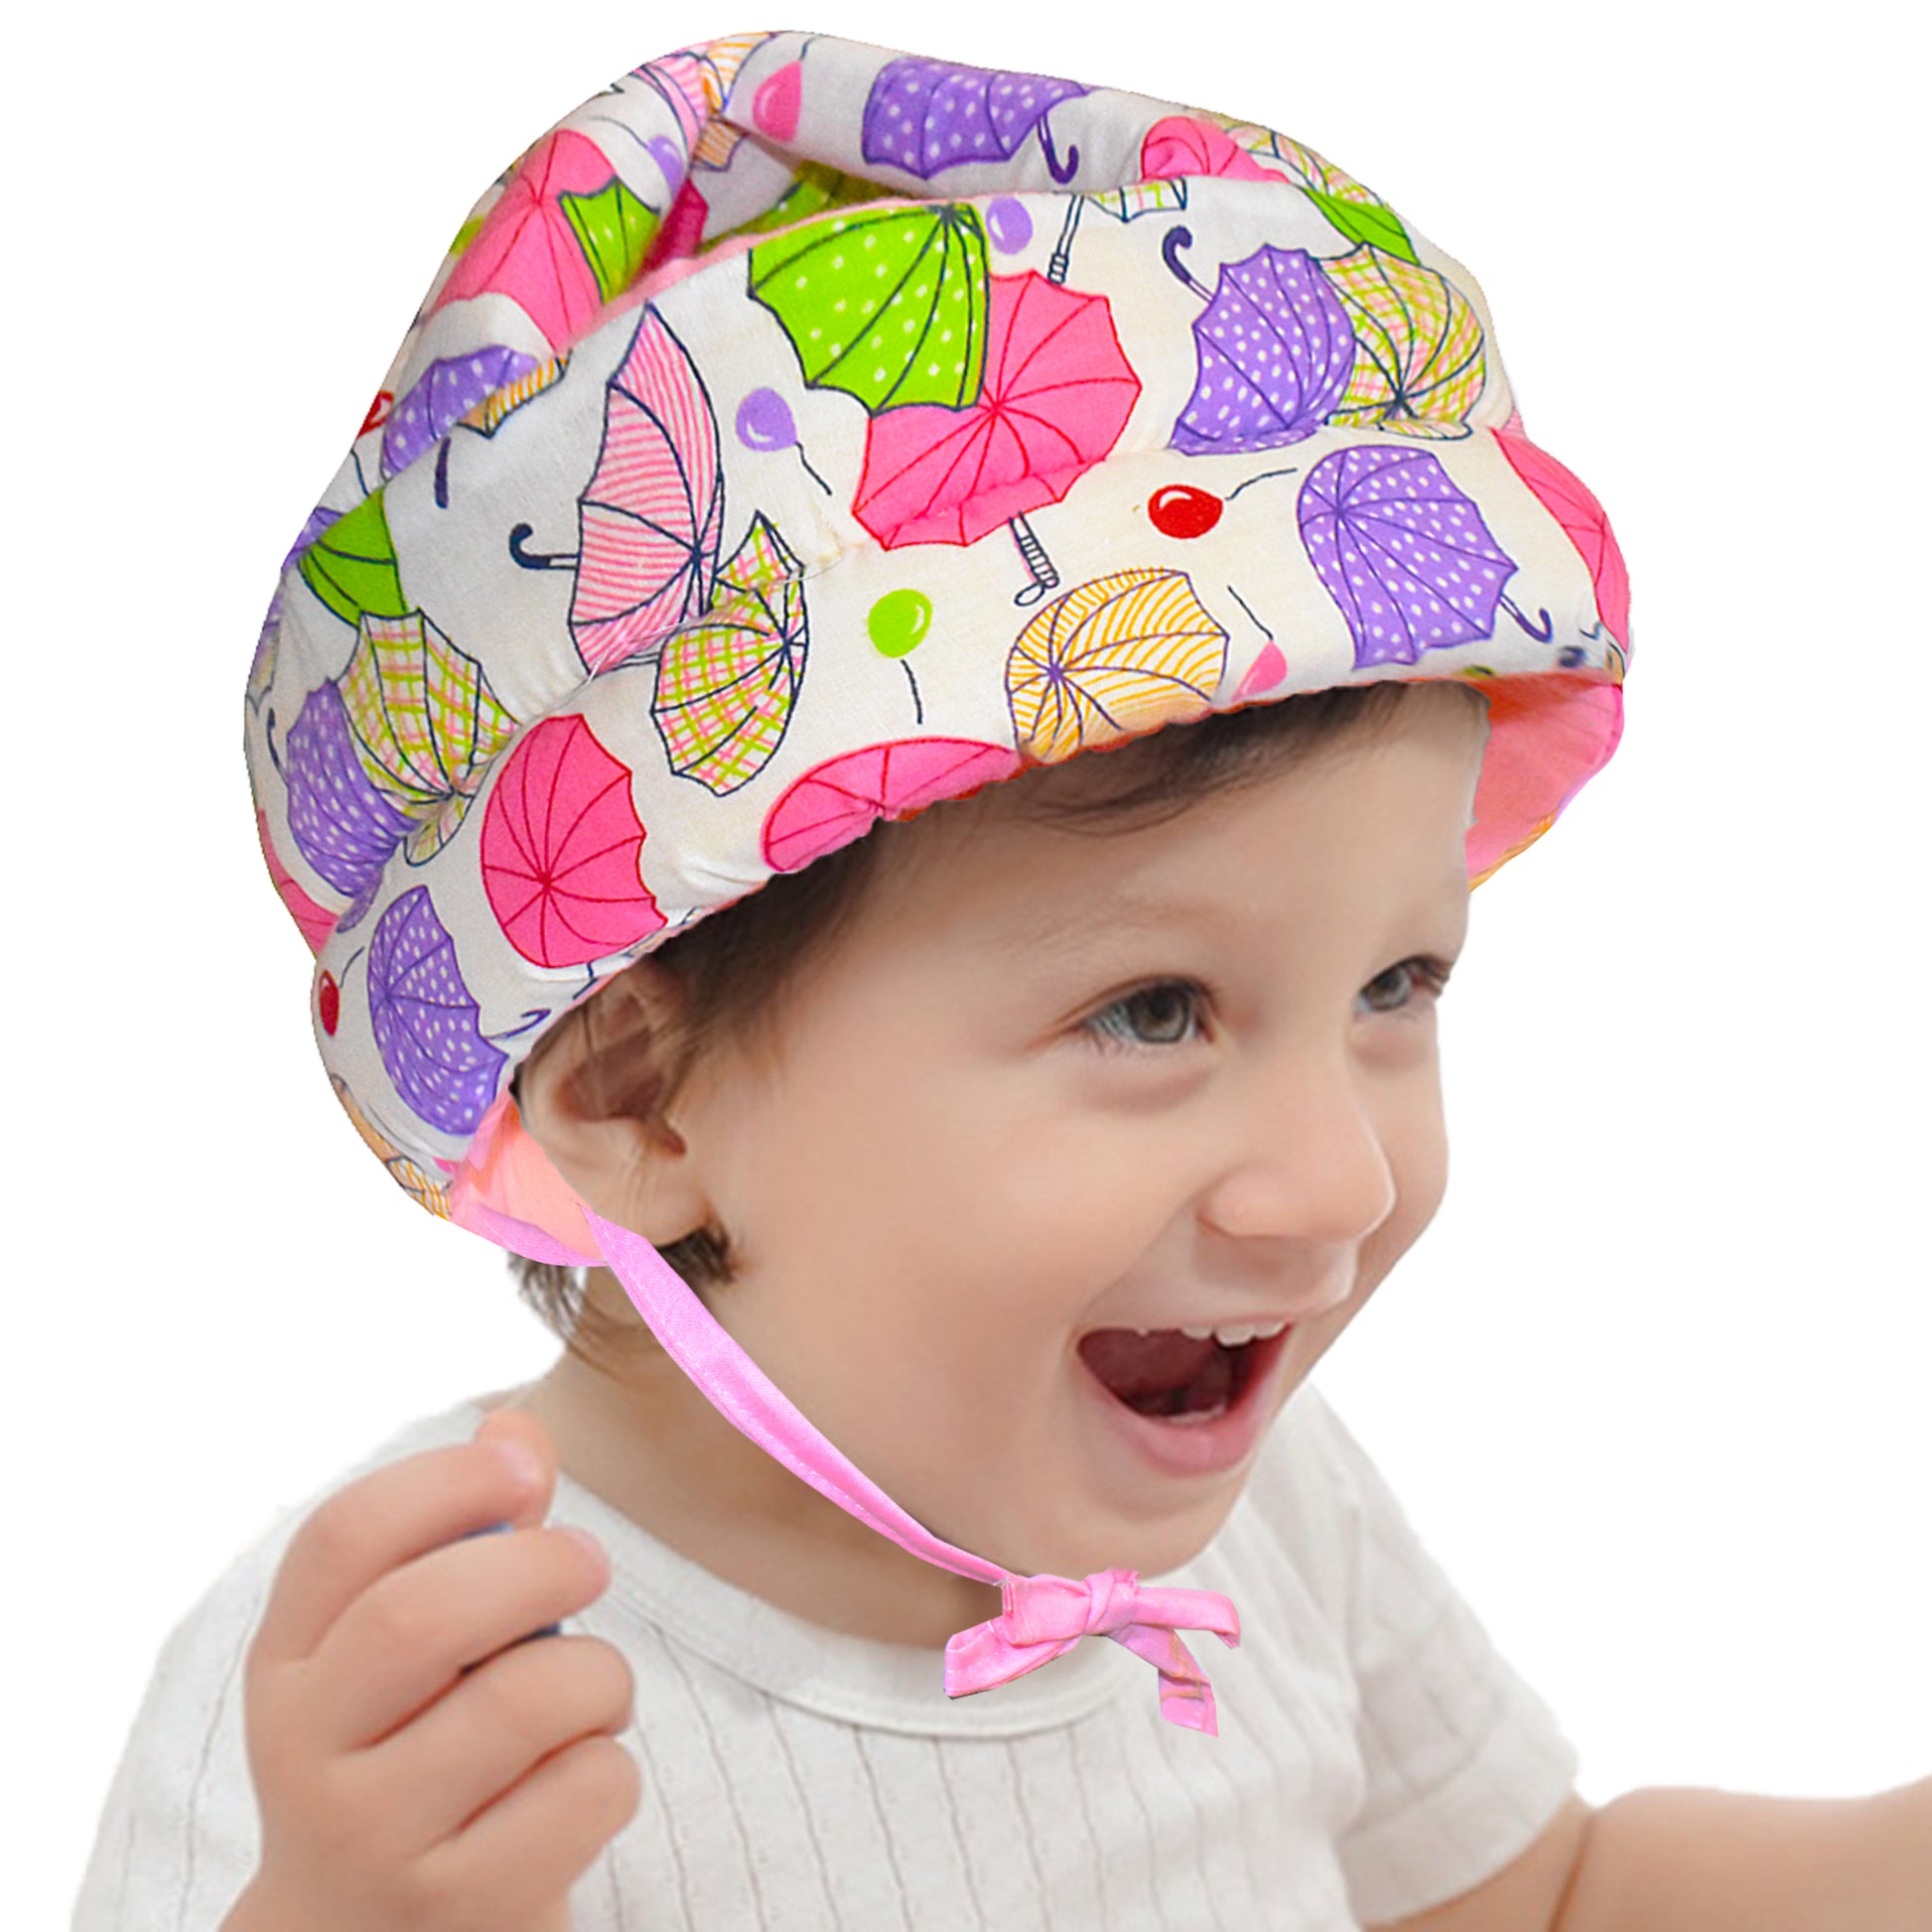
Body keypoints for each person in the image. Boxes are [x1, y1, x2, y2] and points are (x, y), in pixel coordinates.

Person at [70, 28, 1928, 1932]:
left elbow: (1541, 1899)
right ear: (638, 1093)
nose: (1340, 1181)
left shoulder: (1269, 1513)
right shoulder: (417, 1711)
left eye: (1393, 983)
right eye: (1153, 1010)